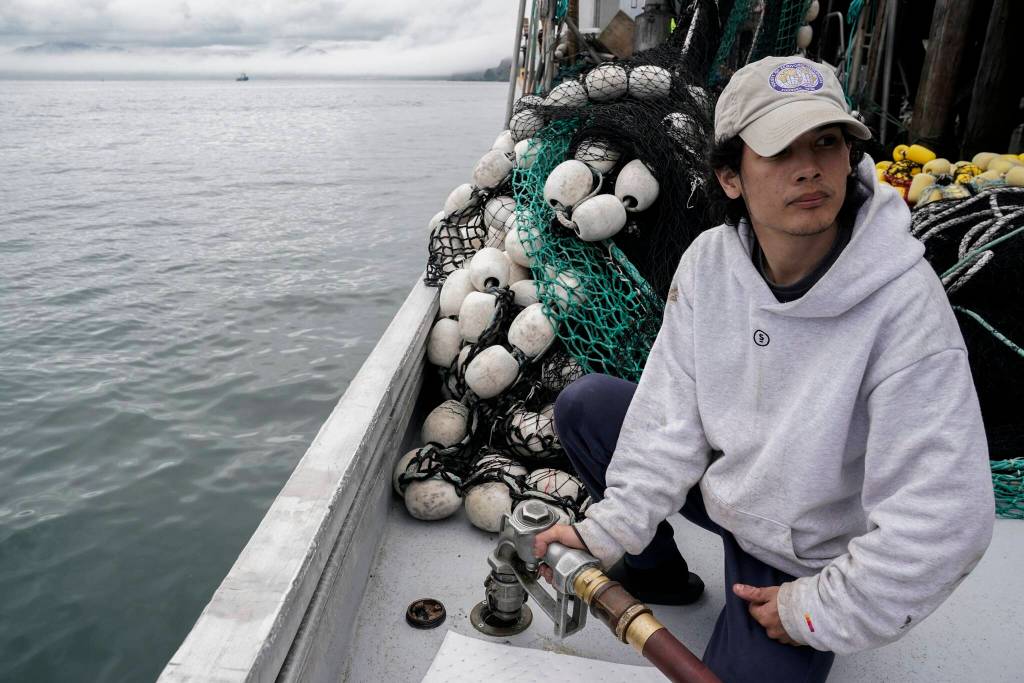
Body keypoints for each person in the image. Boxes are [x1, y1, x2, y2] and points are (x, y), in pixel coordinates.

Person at [533, 55, 995, 682]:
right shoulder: (709, 264)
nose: (811, 169)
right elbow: (670, 416)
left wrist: (817, 609)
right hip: (727, 486)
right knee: (588, 406)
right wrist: (606, 533)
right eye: (780, 150)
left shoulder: (904, 305)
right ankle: (658, 573)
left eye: (828, 142)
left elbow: (946, 518)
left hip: (801, 550)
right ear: (730, 177)